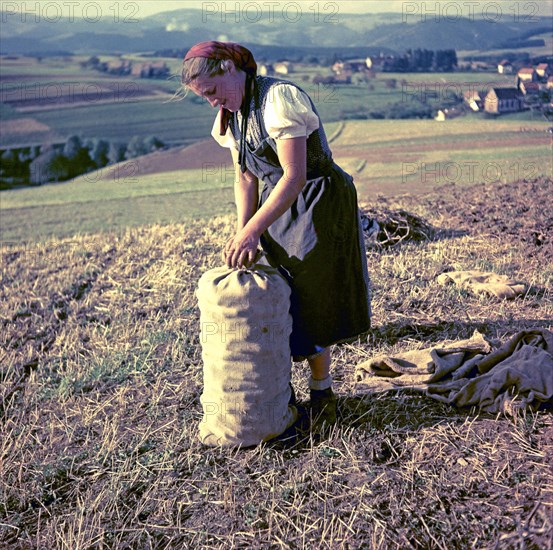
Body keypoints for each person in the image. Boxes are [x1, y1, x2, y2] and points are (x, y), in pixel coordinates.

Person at [181, 41, 371, 430]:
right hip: (278, 202)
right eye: (204, 98)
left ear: (230, 69)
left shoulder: (278, 99)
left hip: (316, 198)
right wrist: (243, 232)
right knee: (277, 291)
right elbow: (245, 176)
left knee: (311, 294)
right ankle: (278, 391)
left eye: (213, 92)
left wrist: (254, 229)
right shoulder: (232, 113)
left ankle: (323, 392)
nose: (213, 102)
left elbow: (296, 174)